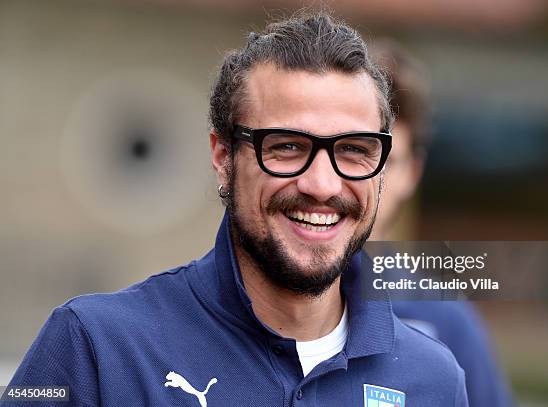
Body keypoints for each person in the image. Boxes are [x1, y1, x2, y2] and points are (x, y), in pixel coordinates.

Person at [3, 13, 468, 406]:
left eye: (353, 150)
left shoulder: (434, 381)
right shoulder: (96, 349)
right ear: (224, 156)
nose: (323, 185)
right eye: (286, 147)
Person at [369, 40, 514, 407]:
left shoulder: (446, 320)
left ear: (413, 173)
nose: (370, 180)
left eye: (389, 161)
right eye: (355, 151)